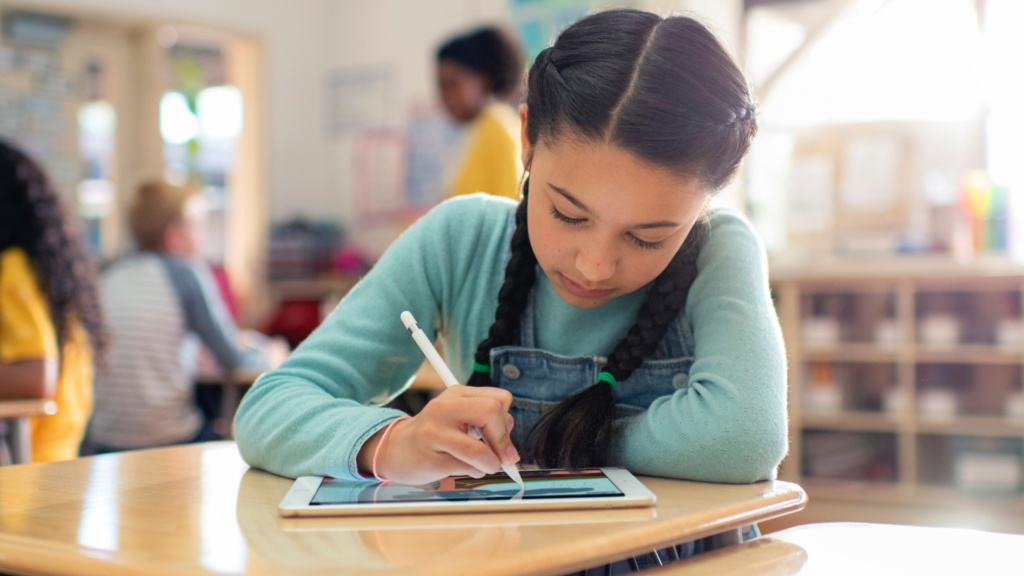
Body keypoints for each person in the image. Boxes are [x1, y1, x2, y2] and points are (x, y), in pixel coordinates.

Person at [237, 8, 784, 493]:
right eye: (568, 214)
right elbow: (270, 407)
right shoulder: (462, 239)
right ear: (526, 136)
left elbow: (743, 439)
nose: (594, 266)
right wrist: (392, 442)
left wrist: (563, 436)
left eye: (647, 237)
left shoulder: (718, 249)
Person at [85, 180, 270, 453]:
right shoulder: (185, 274)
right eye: (198, 226)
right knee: (219, 418)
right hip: (167, 441)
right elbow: (232, 359)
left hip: (102, 442)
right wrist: (270, 355)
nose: (204, 237)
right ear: (174, 237)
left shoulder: (108, 274)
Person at [0, 140, 107, 462]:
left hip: (32, 466)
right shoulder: (41, 268)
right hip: (58, 457)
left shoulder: (13, 269)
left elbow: (36, 378)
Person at [437, 26, 524, 201]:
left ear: (482, 79)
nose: (447, 96)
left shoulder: (498, 129)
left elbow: (512, 206)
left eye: (453, 85)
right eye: (441, 86)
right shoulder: (473, 130)